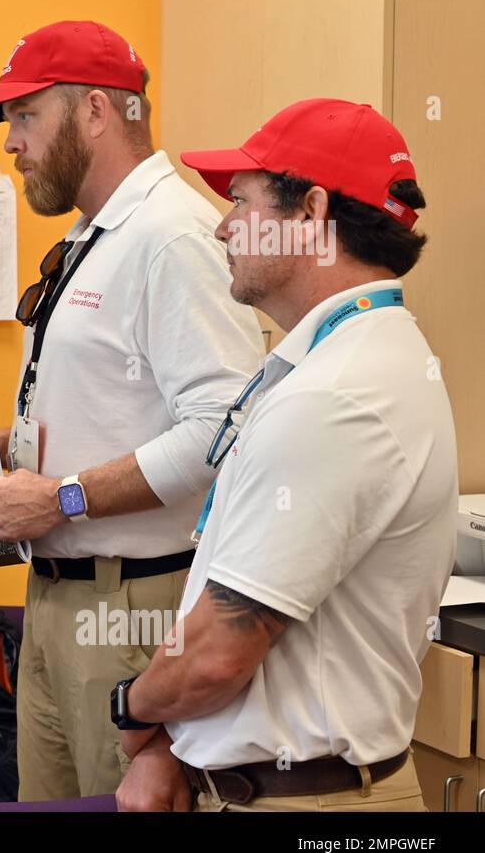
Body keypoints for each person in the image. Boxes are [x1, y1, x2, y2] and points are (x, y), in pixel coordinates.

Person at [0, 21, 263, 798]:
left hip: (133, 604)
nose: (11, 143)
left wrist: (63, 497)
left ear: (94, 111)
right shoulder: (95, 235)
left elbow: (226, 426)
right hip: (55, 598)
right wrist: (2, 461)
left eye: (25, 117)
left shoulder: (171, 236)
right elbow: (110, 408)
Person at [112, 98, 455, 812]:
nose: (222, 225)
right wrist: (175, 747)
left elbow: (217, 654)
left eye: (241, 201)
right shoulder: (356, 356)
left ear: (310, 213)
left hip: (306, 801)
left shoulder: (334, 395)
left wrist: (132, 709)